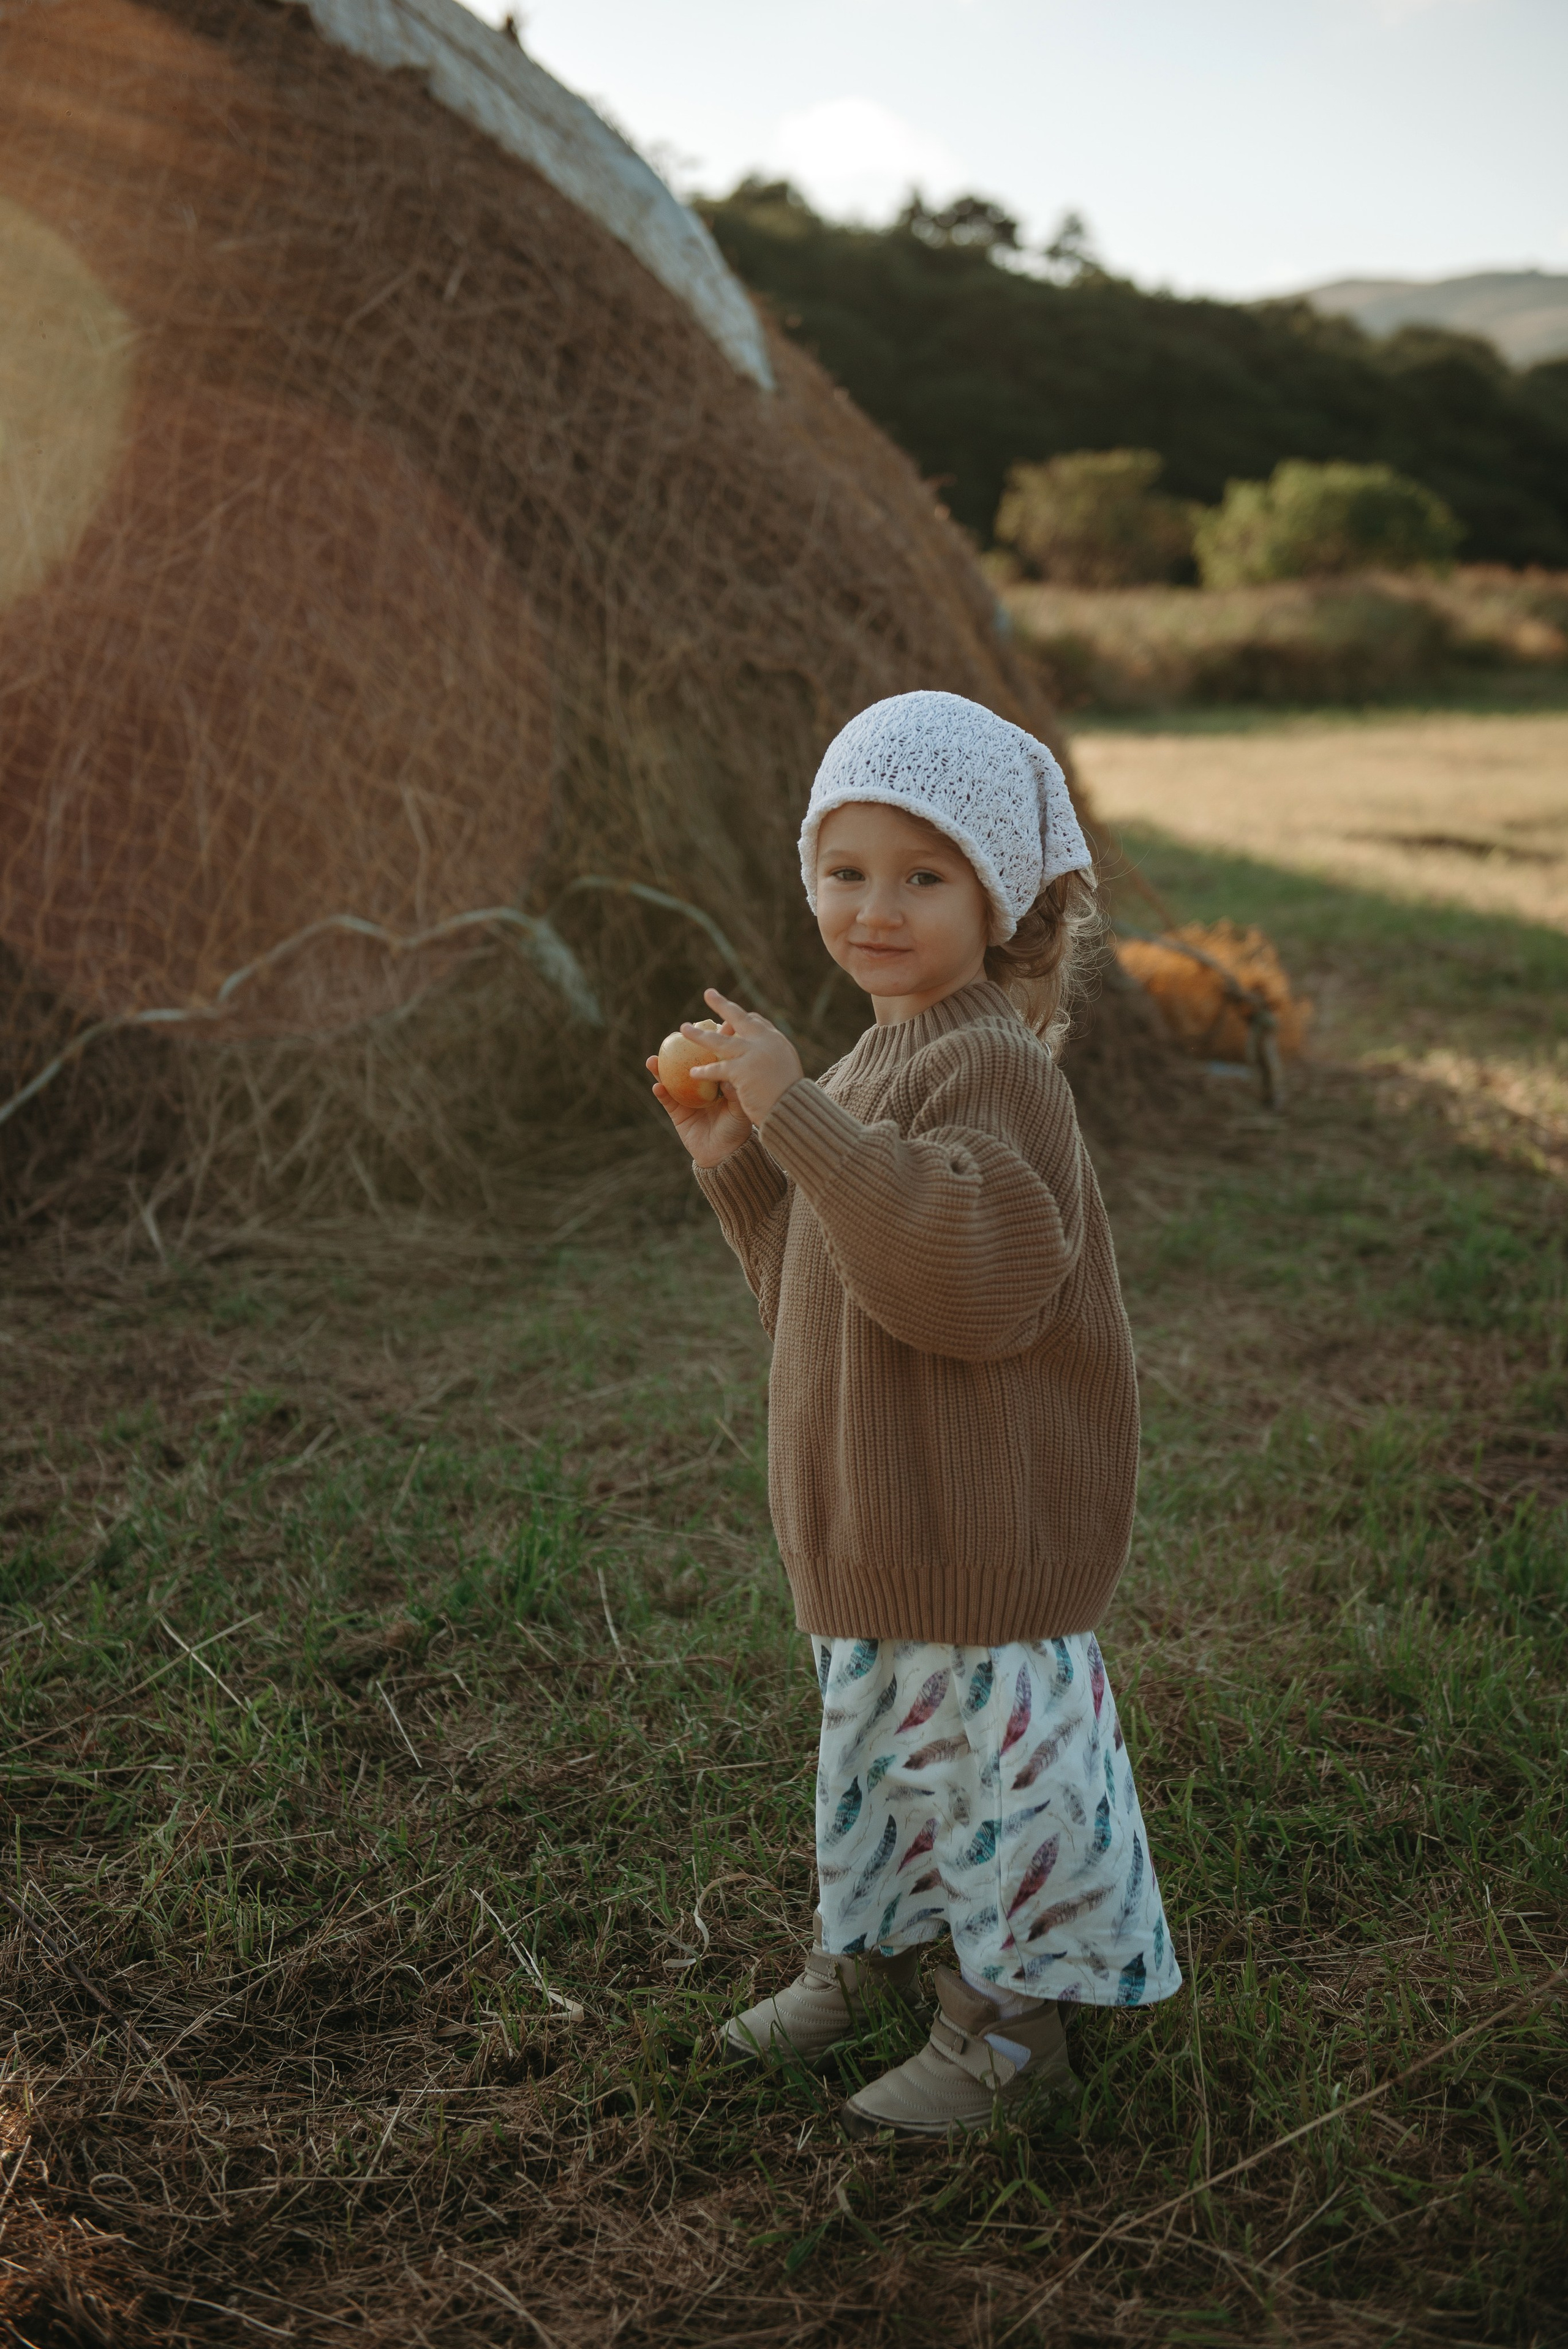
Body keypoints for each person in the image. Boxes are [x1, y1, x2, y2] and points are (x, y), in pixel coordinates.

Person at [647, 690, 1180, 2140]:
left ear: (996, 894)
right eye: (845, 870)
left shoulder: (987, 1063)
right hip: (882, 1524)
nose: (873, 908)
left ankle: (1007, 2032)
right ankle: (871, 1952)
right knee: (884, 1753)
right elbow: (825, 1291)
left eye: (921, 876)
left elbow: (964, 1285)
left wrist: (796, 1117)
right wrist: (740, 1160)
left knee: (991, 1781)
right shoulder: (865, 1062)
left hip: (979, 1536)